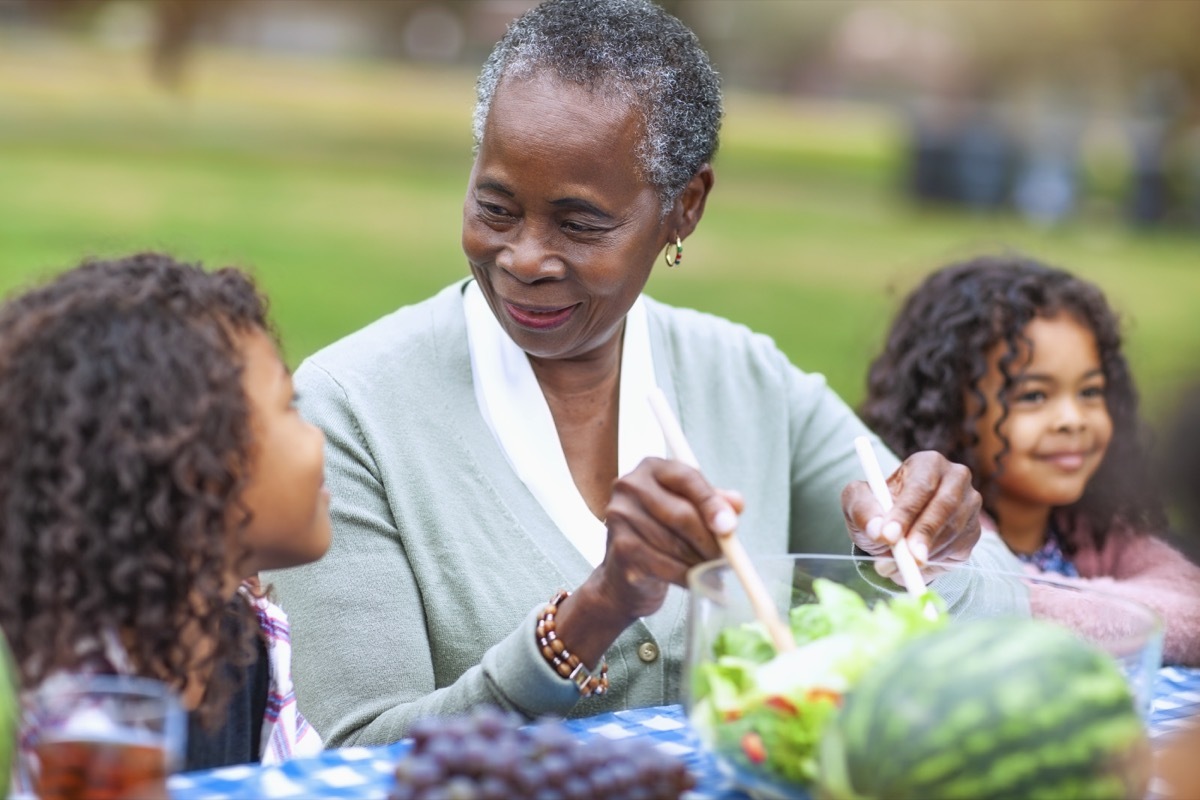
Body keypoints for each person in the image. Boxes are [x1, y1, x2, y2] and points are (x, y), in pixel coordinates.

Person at [265, 0, 1021, 748]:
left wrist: (920, 550)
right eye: (496, 208)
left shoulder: (746, 379)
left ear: (683, 208)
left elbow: (1001, 615)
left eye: (580, 223)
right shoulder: (352, 409)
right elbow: (363, 756)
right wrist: (592, 614)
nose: (525, 258)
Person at [0, 253, 330, 790]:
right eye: (288, 407)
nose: (317, 436)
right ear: (197, 469)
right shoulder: (87, 693)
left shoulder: (251, 636)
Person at [860, 253, 1200, 665]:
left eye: (1090, 392)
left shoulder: (1093, 529)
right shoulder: (947, 529)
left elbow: (1190, 608)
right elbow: (985, 600)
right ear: (948, 410)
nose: (1072, 420)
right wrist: (1129, 616)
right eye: (1034, 396)